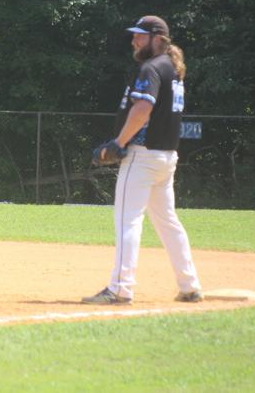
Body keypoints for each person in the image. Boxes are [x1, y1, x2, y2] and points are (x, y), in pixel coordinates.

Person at [82, 15, 202, 305]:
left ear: (157, 38)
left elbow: (143, 109)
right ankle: (189, 285)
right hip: (165, 157)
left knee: (127, 220)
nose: (134, 40)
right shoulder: (172, 69)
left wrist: (119, 142)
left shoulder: (150, 68)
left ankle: (120, 288)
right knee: (167, 222)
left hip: (143, 156)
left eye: (140, 35)